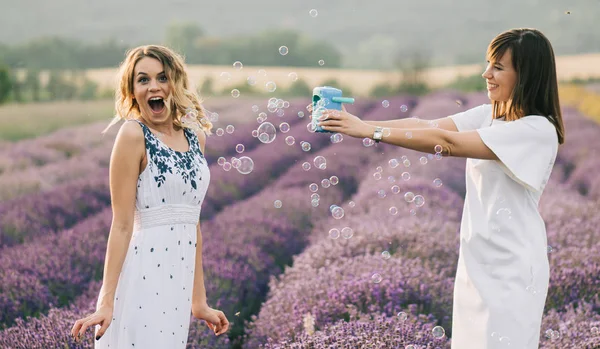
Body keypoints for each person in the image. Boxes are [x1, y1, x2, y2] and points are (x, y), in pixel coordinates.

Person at [317, 28, 565, 348]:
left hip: (511, 270)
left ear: (527, 74)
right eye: (488, 64)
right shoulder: (491, 116)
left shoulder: (535, 130)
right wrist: (354, 124)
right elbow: (426, 127)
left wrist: (370, 129)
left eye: (498, 67)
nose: (486, 74)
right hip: (478, 261)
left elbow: (445, 143)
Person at [70, 45, 229, 348]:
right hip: (143, 277)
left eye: (162, 77)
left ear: (175, 84)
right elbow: (121, 225)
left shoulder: (196, 138)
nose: (154, 86)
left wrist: (199, 301)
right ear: (132, 91)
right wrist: (105, 302)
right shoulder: (133, 135)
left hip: (177, 283)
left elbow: (192, 223)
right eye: (143, 80)